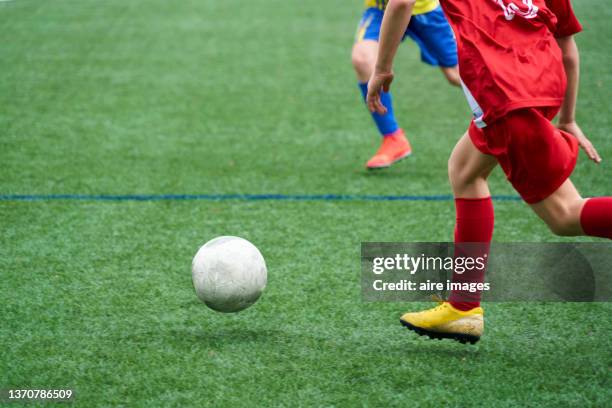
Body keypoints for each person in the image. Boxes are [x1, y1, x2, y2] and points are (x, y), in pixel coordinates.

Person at [367, 0, 611, 344]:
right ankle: (463, 307)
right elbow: (567, 45)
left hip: (504, 97)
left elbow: (402, 2)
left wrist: (383, 69)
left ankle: (463, 307)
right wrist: (567, 118)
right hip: (543, 79)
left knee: (565, 215)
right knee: (465, 170)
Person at [352, 0, 460, 169]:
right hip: (381, 8)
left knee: (456, 74)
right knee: (363, 58)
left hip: (427, 10)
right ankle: (393, 138)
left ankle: (508, 117)